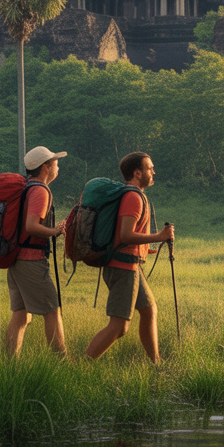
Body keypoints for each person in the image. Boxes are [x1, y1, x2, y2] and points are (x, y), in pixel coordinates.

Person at [84, 152, 173, 363]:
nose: (153, 172)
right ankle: (82, 365)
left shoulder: (133, 195)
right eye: (150, 168)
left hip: (131, 266)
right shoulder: (133, 197)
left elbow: (124, 237)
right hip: (123, 267)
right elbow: (125, 235)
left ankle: (156, 363)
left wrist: (149, 247)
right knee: (119, 326)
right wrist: (159, 236)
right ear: (137, 172)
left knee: (149, 310)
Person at [5, 146, 68, 357]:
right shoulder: (40, 190)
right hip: (30, 260)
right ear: (46, 167)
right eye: (55, 163)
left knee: (21, 314)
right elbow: (32, 226)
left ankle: (8, 362)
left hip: (15, 259)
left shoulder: (26, 187)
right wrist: (56, 231)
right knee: (52, 310)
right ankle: (61, 362)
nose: (58, 167)